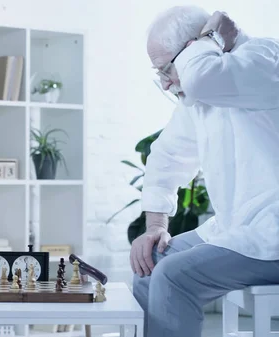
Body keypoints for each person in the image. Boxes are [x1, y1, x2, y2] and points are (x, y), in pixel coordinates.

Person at [131, 5, 279, 337]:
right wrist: (155, 226)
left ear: (195, 46)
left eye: (168, 68)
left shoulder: (264, 58)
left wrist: (210, 36)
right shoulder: (199, 98)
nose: (167, 84)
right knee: (148, 267)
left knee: (173, 275)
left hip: (273, 233)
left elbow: (198, 78)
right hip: (239, 230)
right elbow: (166, 156)